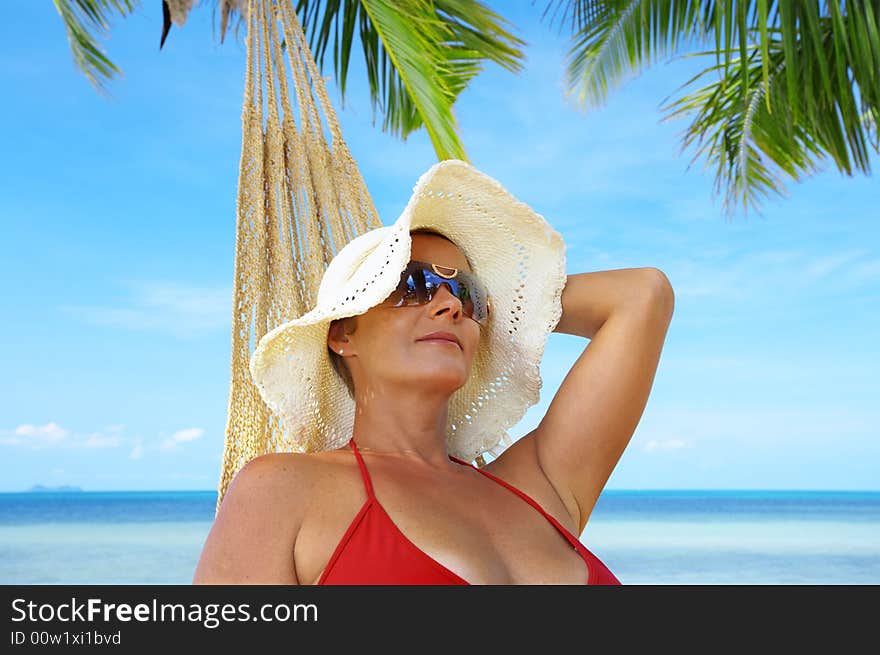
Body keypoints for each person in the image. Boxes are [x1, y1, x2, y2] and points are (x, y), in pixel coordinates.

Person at [192, 159, 674, 585]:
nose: (447, 304)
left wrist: (491, 311)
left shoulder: (540, 487)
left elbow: (642, 294)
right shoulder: (283, 489)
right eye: (412, 283)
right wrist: (463, 303)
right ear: (343, 334)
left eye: (464, 291)